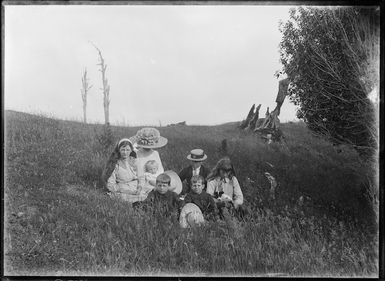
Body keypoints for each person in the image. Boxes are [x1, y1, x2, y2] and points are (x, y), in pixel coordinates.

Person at [102, 138, 147, 203]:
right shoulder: (114, 164)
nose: (125, 152)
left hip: (136, 188)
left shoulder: (135, 161)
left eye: (127, 150)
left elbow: (141, 177)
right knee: (122, 198)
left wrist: (139, 188)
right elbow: (110, 185)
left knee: (146, 194)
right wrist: (127, 190)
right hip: (122, 190)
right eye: (123, 150)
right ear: (119, 150)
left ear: (131, 150)